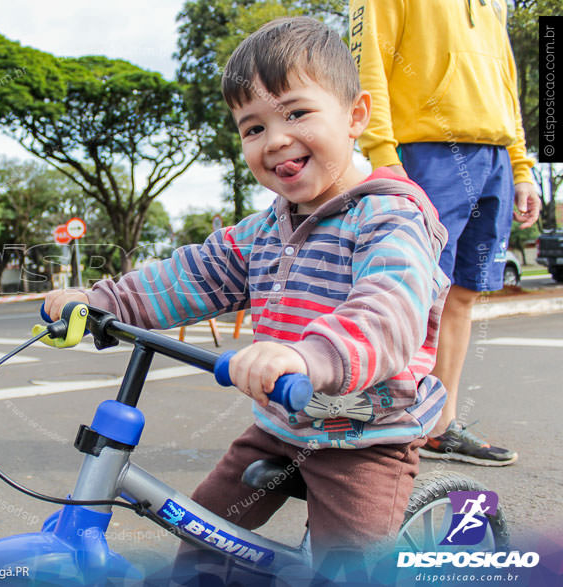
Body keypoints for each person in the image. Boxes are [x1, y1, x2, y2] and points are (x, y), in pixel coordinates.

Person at [45, 16, 450, 563]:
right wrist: (101, 302)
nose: (275, 138)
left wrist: (306, 356)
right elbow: (191, 275)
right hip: (278, 429)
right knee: (200, 541)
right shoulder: (266, 228)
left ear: (356, 116)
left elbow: (388, 312)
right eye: (252, 127)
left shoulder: (390, 217)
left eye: (298, 113)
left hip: (364, 438)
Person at [350, 0, 541, 466]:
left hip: (495, 154)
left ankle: (439, 426)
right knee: (411, 290)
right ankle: (384, 424)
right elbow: (367, 57)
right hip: (425, 150)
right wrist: (381, 153)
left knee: (463, 295)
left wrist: (521, 166)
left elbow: (507, 86)